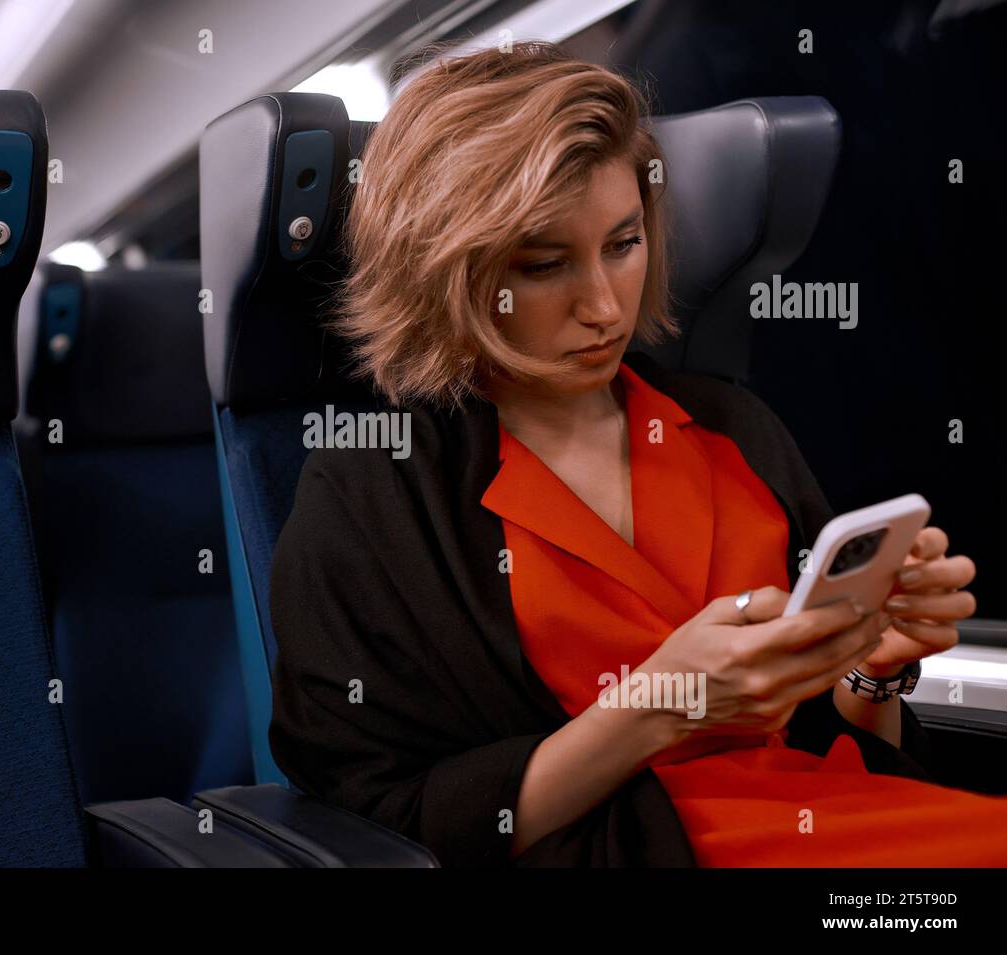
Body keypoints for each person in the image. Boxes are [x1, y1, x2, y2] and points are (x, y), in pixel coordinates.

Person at [266, 42, 1002, 867]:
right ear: (446, 272)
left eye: (622, 243)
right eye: (544, 265)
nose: (604, 305)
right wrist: (658, 707)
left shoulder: (731, 427)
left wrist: (871, 670)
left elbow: (840, 750)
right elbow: (388, 824)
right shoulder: (376, 493)